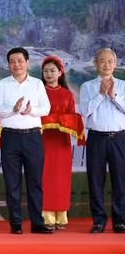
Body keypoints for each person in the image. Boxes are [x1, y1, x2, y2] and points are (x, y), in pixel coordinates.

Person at [0, 47, 53, 234]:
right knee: (12, 182)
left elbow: (46, 109)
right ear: (8, 64)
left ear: (27, 62)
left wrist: (29, 111)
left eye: (20, 60)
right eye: (12, 61)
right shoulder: (2, 84)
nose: (16, 64)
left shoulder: (37, 84)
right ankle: (16, 223)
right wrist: (14, 108)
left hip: (33, 136)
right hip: (10, 136)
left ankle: (37, 223)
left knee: (35, 182)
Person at [80, 48, 125, 233]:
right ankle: (98, 221)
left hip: (120, 138)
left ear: (115, 64)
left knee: (121, 181)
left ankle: (120, 220)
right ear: (95, 63)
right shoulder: (87, 86)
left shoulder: (123, 85)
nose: (106, 65)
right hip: (97, 138)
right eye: (102, 61)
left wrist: (113, 96)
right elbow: (84, 112)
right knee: (96, 180)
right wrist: (100, 94)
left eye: (110, 61)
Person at [40, 56, 78, 230]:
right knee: (45, 176)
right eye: (46, 71)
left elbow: (72, 116)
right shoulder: (38, 91)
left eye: (52, 70)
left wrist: (61, 120)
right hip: (42, 139)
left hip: (62, 140)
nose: (49, 74)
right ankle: (46, 216)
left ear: (60, 72)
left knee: (61, 178)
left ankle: (61, 216)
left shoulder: (67, 94)